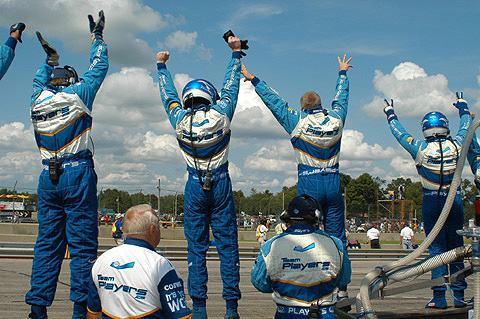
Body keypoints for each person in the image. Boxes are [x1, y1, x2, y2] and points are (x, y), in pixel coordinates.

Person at [241, 56, 353, 304]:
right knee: (337, 237)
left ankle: (305, 278)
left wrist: (253, 80)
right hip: (334, 182)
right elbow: (341, 99)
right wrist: (342, 74)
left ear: (303, 108)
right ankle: (342, 288)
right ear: (321, 105)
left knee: (305, 234)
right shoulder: (336, 119)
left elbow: (275, 103)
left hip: (309, 183)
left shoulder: (298, 121)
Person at [25, 11, 108, 319]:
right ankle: (79, 311)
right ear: (70, 81)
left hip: (47, 176)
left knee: (46, 246)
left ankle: (37, 310)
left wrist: (48, 60)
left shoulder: (36, 99)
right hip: (77, 173)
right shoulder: (78, 94)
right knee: (83, 247)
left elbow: (37, 80)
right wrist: (97, 38)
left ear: (50, 81)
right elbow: (100, 66)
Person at [156, 35, 242, 319]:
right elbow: (231, 86)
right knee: (228, 246)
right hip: (220, 182)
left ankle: (200, 308)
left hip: (194, 185)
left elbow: (167, 96)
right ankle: (231, 309)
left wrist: (162, 68)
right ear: (209, 96)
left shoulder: (178, 119)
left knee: (196, 248)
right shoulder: (222, 114)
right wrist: (235, 54)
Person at [383, 95, 470, 309]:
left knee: (437, 251)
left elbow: (400, 134)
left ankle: (439, 298)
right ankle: (458, 296)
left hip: (432, 202)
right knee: (457, 247)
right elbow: (467, 125)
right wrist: (462, 106)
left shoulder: (420, 148)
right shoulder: (458, 144)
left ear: (425, 129)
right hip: (455, 199)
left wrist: (390, 113)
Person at [251, 195, 351, 319]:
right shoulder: (336, 244)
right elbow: (343, 280)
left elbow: (260, 284)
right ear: (316, 217)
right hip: (325, 313)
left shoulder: (270, 246)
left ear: (287, 219)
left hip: (286, 313)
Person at [87, 204, 192, 319]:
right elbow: (179, 316)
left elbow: (93, 313)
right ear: (152, 230)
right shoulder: (161, 266)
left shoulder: (102, 260)